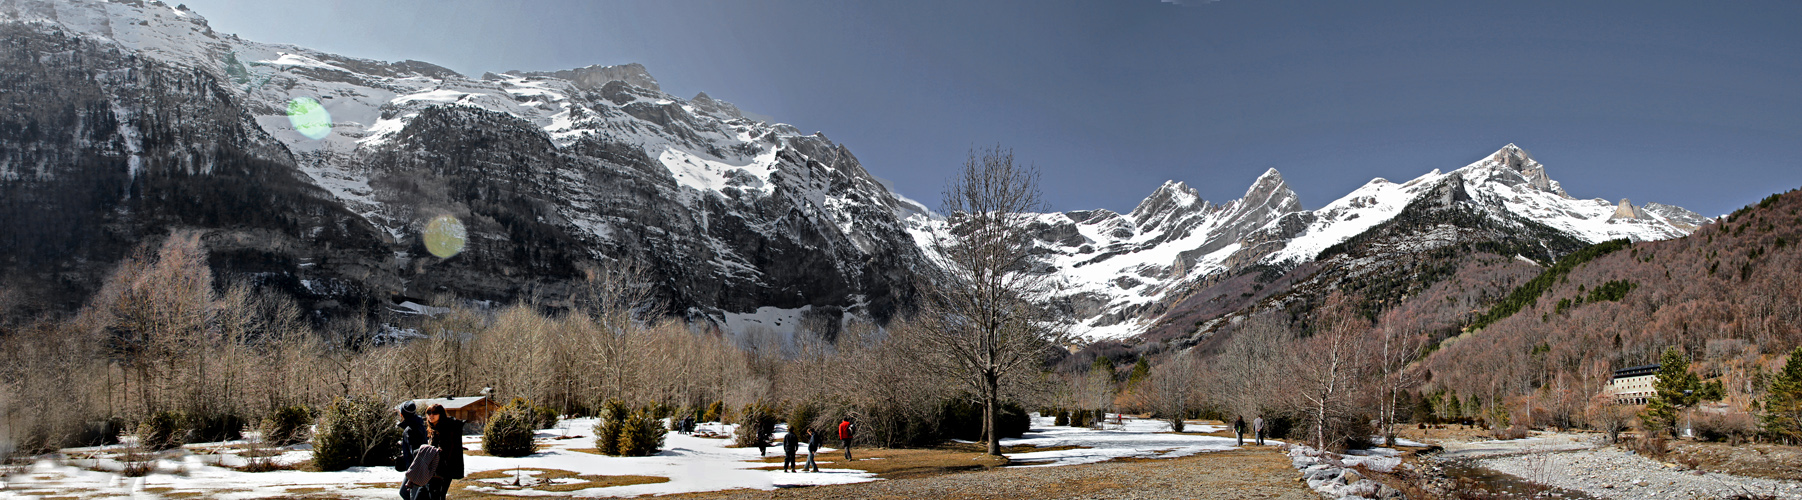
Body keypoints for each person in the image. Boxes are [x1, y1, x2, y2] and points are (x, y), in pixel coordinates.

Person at [424, 404, 465, 500]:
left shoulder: (445, 429)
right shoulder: (434, 428)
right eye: (429, 413)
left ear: (440, 414)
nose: (431, 415)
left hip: (443, 468)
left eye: (434, 413)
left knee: (437, 495)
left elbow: (444, 450)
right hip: (436, 468)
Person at [395, 402, 429, 500]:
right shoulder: (419, 425)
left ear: (402, 414)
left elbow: (416, 453)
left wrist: (413, 476)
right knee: (404, 492)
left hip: (416, 469)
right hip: (419, 467)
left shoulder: (409, 430)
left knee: (413, 496)